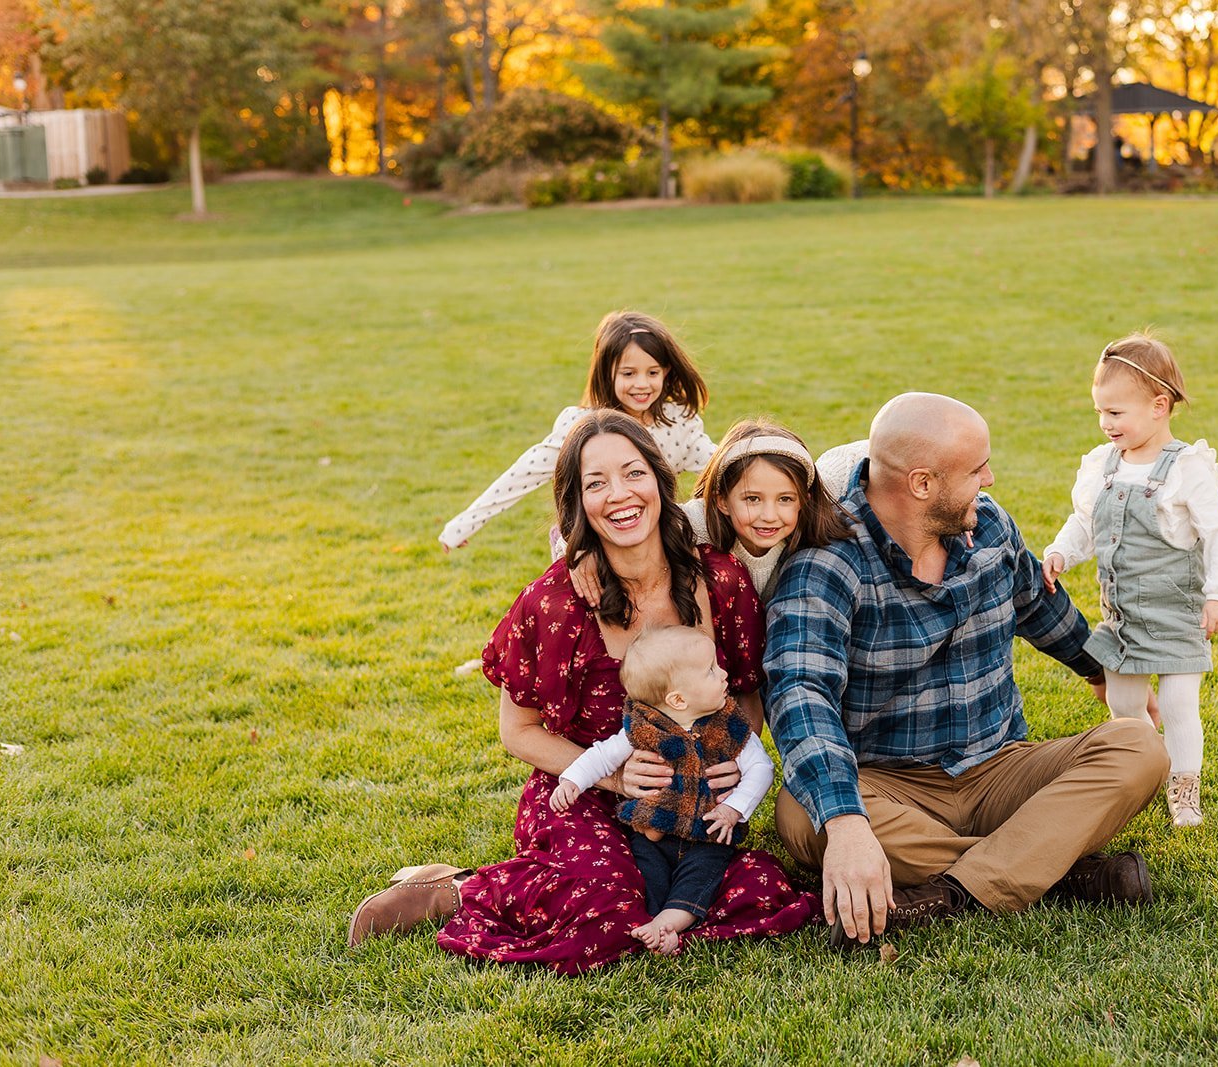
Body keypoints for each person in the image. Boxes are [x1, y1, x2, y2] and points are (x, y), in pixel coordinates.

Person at [349, 411, 815, 973]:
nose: (620, 496)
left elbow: (744, 691)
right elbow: (516, 730)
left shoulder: (719, 579)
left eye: (633, 473)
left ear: (659, 481)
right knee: (607, 916)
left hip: (686, 795)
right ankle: (455, 890)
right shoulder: (553, 603)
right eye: (597, 483)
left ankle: (631, 888)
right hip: (582, 789)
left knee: (764, 893)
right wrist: (616, 777)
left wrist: (727, 761)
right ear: (578, 503)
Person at [764, 392, 1170, 949]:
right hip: (886, 783)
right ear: (922, 483)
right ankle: (1055, 870)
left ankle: (949, 894)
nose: (991, 478)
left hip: (999, 766)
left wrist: (1101, 671)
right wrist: (849, 823)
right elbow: (800, 693)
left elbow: (1037, 603)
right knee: (803, 814)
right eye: (977, 469)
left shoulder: (989, 527)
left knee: (1139, 749)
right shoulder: (826, 560)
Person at [1040, 332, 1218, 828]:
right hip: (1123, 617)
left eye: (1116, 413)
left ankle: (1184, 789)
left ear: (1158, 406)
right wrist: (1062, 550)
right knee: (1125, 702)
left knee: (1176, 704)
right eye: (1100, 413)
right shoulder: (1102, 467)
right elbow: (1086, 521)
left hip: (1175, 616)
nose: (1106, 424)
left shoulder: (1185, 469)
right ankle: (1134, 771)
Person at [552, 625, 775, 955]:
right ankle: (652, 923)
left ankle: (670, 926)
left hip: (707, 832)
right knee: (646, 876)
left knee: (699, 880)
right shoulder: (643, 728)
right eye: (711, 671)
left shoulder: (730, 725)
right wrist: (572, 780)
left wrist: (734, 808)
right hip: (651, 832)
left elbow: (762, 768)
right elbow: (602, 755)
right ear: (678, 699)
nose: (724, 673)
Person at [437, 310, 717, 551]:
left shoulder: (677, 423)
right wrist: (466, 522)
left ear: (667, 371)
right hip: (593, 544)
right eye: (628, 373)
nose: (642, 384)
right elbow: (525, 472)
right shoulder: (581, 428)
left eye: (652, 372)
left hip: (656, 542)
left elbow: (724, 467)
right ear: (607, 372)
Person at [568, 418, 853, 604]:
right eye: (752, 499)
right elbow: (635, 519)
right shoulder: (698, 521)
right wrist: (582, 551)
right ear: (721, 501)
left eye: (785, 499)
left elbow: (851, 457)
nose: (769, 514)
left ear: (804, 498)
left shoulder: (818, 502)